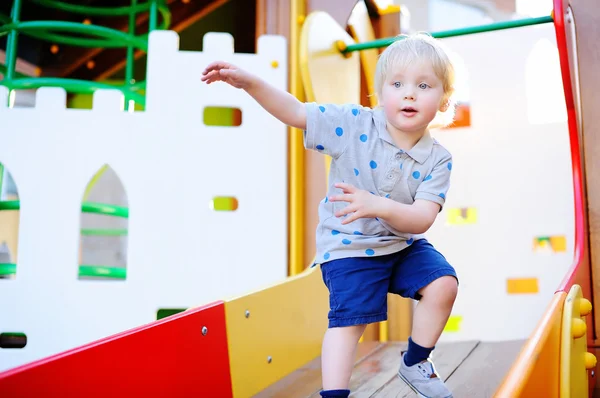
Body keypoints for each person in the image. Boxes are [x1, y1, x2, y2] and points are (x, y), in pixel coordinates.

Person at [202, 32, 459, 398]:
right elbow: (295, 111)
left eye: (423, 85)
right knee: (351, 322)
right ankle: (334, 395)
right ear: (381, 91)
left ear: (443, 99)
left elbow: (421, 218)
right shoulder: (354, 125)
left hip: (401, 243)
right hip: (349, 245)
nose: (409, 94)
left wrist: (377, 205)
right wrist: (249, 83)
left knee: (443, 283)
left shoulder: (438, 159)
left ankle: (416, 362)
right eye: (397, 83)